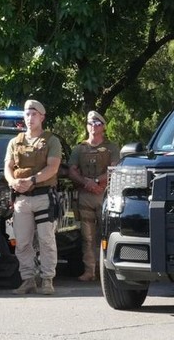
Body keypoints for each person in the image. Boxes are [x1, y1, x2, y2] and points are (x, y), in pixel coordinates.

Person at [5, 99, 62, 295]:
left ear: (42, 117)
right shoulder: (15, 142)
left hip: (43, 196)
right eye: (27, 114)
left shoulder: (51, 141)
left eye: (34, 114)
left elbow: (52, 168)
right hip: (21, 199)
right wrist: (12, 181)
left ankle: (47, 280)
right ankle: (28, 279)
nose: (30, 118)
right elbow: (8, 167)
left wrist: (32, 180)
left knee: (46, 240)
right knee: (22, 242)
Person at [67, 110, 115, 281]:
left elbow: (114, 170)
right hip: (85, 196)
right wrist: (86, 182)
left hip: (105, 195)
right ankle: (90, 271)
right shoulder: (79, 149)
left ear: (103, 127)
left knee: (107, 234)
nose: (93, 127)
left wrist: (95, 181)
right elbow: (71, 171)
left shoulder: (111, 147)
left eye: (97, 124)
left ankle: (107, 271)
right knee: (87, 237)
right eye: (90, 124)